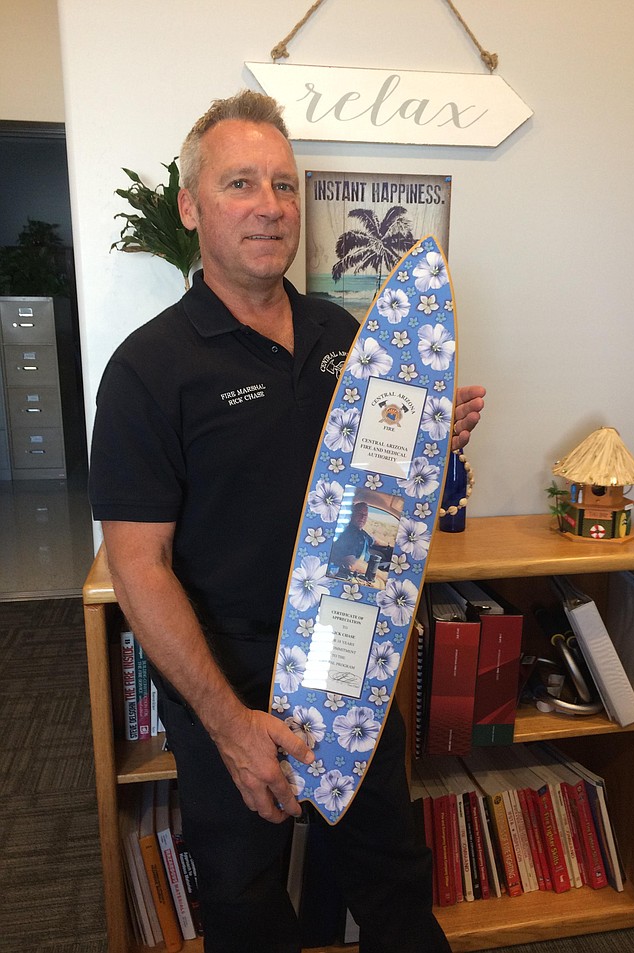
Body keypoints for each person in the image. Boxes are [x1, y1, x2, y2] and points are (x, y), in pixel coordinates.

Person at [89, 89, 486, 953]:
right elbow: (138, 568)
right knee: (244, 897)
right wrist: (230, 727)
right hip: (226, 679)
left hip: (354, 660)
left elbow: (363, 489)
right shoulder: (145, 371)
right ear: (191, 207)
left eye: (282, 183)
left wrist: (421, 444)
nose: (269, 205)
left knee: (389, 873)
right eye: (240, 183)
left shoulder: (344, 333)